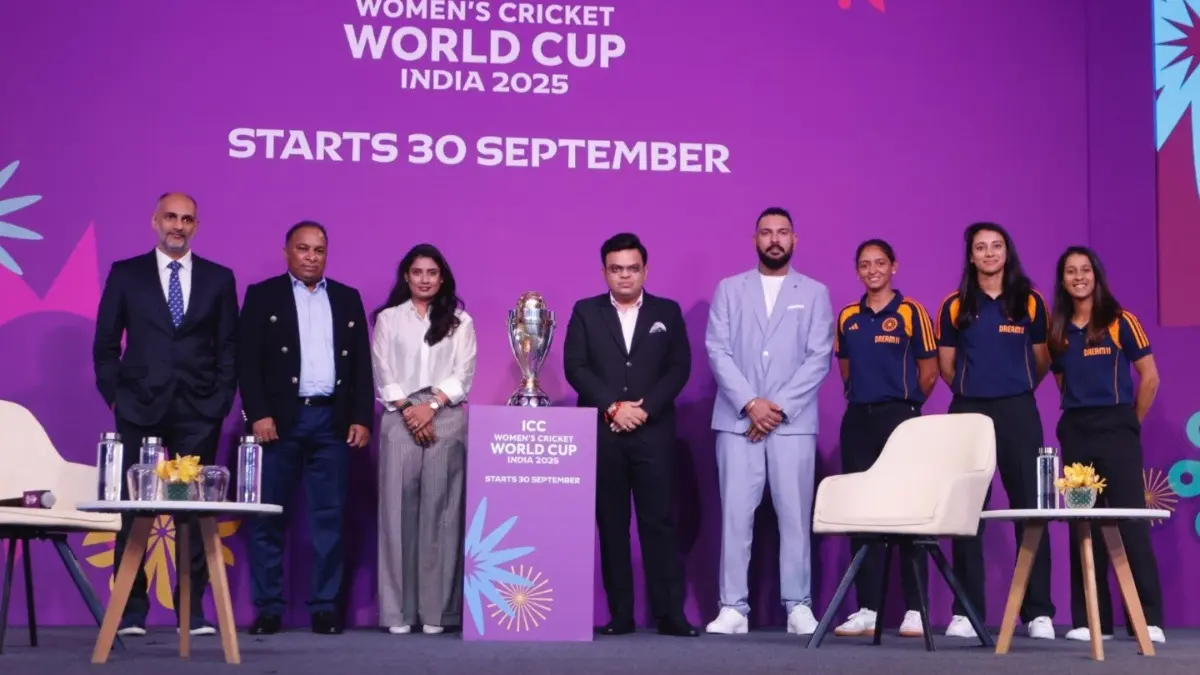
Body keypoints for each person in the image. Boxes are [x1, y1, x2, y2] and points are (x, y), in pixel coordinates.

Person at [92, 192, 238, 637]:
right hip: (139, 408)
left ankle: (191, 611)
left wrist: (218, 403)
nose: (178, 225)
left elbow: (229, 347)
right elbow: (104, 345)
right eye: (171, 217)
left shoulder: (218, 278)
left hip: (198, 412)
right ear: (155, 220)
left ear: (197, 225)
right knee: (134, 510)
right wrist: (117, 397)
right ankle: (132, 611)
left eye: (187, 219)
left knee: (192, 512)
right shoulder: (127, 274)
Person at [236, 221, 374, 636]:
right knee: (268, 518)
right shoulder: (263, 296)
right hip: (278, 423)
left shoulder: (347, 299)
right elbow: (247, 360)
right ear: (287, 252)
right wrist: (258, 413)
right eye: (303, 248)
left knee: (329, 519)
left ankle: (325, 607)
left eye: (318, 250)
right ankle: (269, 608)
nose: (311, 256)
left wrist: (361, 417)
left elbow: (360, 367)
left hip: (331, 421)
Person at [704, 206, 833, 636]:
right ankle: (733, 607)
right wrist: (749, 404)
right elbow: (717, 351)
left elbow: (818, 358)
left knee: (794, 516)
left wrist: (774, 408)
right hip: (736, 421)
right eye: (765, 232)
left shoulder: (814, 292)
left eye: (782, 232)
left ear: (795, 240)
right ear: (754, 239)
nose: (774, 239)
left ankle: (798, 605)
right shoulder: (729, 289)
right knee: (735, 517)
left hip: (791, 424)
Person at [562, 232, 697, 637]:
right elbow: (576, 367)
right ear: (604, 271)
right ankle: (620, 614)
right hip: (604, 434)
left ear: (645, 270)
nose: (625, 276)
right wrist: (613, 407)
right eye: (616, 269)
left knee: (658, 523)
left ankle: (669, 614)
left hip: (653, 433)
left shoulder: (667, 312)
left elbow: (679, 368)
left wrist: (644, 409)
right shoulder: (585, 311)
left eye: (632, 268)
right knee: (612, 524)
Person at [936, 222, 1055, 640]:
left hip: (1018, 409)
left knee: (1030, 508)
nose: (988, 253)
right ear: (971, 256)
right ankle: (966, 611)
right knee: (968, 511)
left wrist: (1011, 389)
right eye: (980, 247)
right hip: (968, 412)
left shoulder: (1030, 302)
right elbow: (947, 366)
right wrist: (975, 393)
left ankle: (1038, 611)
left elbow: (1042, 360)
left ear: (1007, 252)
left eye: (996, 246)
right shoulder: (954, 304)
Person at [1047, 246, 1165, 644]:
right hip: (1076, 430)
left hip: (1117, 428)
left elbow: (1149, 378)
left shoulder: (1120, 321)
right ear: (1062, 280)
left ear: (1096, 275)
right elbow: (1062, 381)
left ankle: (1147, 620)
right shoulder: (1059, 329)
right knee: (1085, 524)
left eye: (1085, 270)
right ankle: (1090, 620)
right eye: (1070, 271)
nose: (1078, 277)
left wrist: (1129, 423)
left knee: (1130, 522)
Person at [831, 239, 937, 638]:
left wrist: (908, 405)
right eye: (864, 264)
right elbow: (845, 368)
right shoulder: (848, 317)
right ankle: (868, 608)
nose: (872, 270)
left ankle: (915, 608)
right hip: (858, 419)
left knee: (908, 510)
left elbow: (928, 370)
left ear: (894, 266)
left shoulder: (912, 313)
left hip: (901, 418)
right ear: (857, 271)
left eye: (880, 263)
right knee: (862, 512)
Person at [371, 244, 477, 635]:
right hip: (399, 418)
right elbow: (382, 370)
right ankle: (398, 612)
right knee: (397, 515)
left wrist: (430, 407)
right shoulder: (388, 319)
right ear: (406, 277)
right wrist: (410, 410)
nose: (425, 279)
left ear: (442, 277)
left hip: (445, 418)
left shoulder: (460, 321)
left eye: (432, 272)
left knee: (441, 515)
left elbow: (463, 374)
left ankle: (436, 613)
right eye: (417, 272)